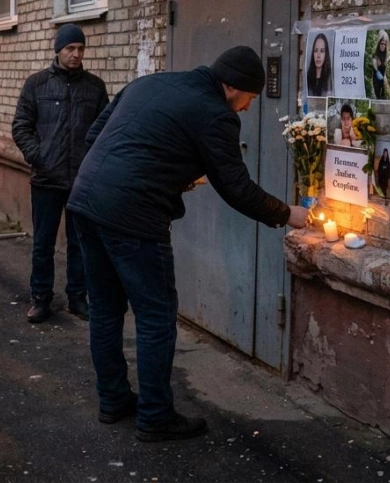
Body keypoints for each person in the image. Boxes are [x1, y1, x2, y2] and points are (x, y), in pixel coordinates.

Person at [66, 45, 309, 443]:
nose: (247, 109)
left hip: (86, 201)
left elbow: (97, 134)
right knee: (156, 315)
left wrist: (162, 174)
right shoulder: (216, 114)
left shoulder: (151, 82)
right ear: (231, 87)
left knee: (106, 309)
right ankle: (156, 415)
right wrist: (287, 214)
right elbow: (236, 188)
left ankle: (112, 401)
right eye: (249, 98)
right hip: (134, 215)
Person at [11, 24, 109, 324]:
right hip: (47, 180)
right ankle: (41, 298)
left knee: (81, 243)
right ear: (58, 50)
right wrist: (38, 156)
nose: (76, 54)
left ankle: (78, 297)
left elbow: (105, 129)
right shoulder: (37, 85)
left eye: (80, 49)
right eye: (70, 49)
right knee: (43, 243)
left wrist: (94, 164)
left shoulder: (94, 87)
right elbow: (21, 126)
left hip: (82, 180)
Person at [306, 32, 332, 97]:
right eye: (315, 50)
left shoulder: (330, 80)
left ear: (326, 54)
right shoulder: (307, 78)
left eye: (322, 51)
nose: (318, 55)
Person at [371, 31, 390, 99]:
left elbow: (388, 67)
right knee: (377, 94)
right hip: (376, 78)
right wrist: (376, 66)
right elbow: (374, 65)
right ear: (379, 44)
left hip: (384, 79)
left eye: (384, 44)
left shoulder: (387, 55)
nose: (382, 45)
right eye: (381, 44)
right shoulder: (375, 55)